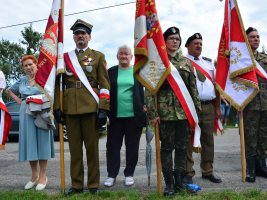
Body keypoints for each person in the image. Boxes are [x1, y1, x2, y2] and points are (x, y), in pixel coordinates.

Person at [54, 19, 110, 195]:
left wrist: (103, 109)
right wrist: (57, 107)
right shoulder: (64, 58)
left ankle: (93, 185)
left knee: (92, 150)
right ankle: (77, 186)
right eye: (77, 33)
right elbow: (57, 84)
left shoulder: (98, 56)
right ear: (73, 37)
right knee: (75, 151)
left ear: (89, 37)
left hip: (90, 108)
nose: (80, 36)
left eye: (83, 33)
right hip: (70, 109)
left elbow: (105, 85)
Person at [145, 27, 201, 196]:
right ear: (164, 41)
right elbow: (149, 90)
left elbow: (193, 89)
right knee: (167, 148)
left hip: (184, 113)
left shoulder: (186, 63)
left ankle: (179, 182)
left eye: (177, 39)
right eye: (171, 38)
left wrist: (196, 112)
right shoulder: (156, 62)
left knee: (182, 148)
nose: (175, 41)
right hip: (165, 113)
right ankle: (169, 183)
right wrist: (153, 114)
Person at [6, 55, 55, 191]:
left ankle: (43, 176)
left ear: (36, 64)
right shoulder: (21, 80)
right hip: (26, 113)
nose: (28, 67)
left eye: (30, 64)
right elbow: (9, 90)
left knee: (43, 143)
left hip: (41, 112)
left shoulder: (44, 77)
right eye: (25, 65)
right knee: (31, 144)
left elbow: (52, 93)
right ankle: (34, 176)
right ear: (23, 68)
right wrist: (18, 100)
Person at [104, 45, 146, 187]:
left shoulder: (137, 72)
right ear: (117, 56)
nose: (123, 56)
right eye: (121, 54)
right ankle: (111, 175)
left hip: (134, 117)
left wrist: (145, 105)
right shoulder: (110, 72)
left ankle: (129, 174)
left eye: (126, 54)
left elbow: (144, 91)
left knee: (132, 147)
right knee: (113, 146)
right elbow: (105, 91)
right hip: (114, 117)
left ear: (131, 57)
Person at [184, 33, 222, 184]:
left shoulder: (208, 63)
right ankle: (188, 173)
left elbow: (216, 86)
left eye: (200, 43)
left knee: (208, 140)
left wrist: (217, 107)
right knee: (188, 140)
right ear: (187, 46)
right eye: (195, 43)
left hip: (208, 106)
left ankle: (208, 171)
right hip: (190, 106)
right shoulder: (182, 62)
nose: (199, 45)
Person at [243, 27, 267, 182]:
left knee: (263, 136)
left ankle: (261, 166)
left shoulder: (265, 58)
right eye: (252, 37)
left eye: (257, 37)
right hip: (249, 104)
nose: (256, 39)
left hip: (265, 103)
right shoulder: (242, 59)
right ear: (246, 39)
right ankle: (251, 168)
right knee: (250, 136)